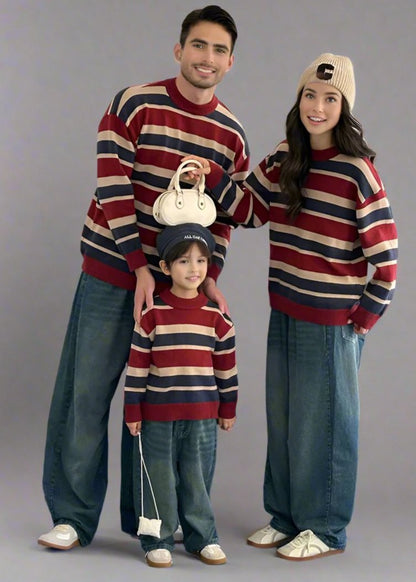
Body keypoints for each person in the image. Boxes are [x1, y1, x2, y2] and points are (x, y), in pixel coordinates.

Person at [38, 5, 249, 550]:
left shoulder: (231, 134)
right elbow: (113, 186)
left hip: (181, 294)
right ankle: (73, 516)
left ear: (231, 62)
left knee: (159, 406)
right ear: (179, 50)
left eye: (219, 50)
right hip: (114, 271)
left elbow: (225, 218)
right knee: (86, 395)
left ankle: (150, 524)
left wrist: (209, 278)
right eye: (199, 46)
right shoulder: (134, 104)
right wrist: (138, 269)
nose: (208, 58)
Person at [183, 53, 398, 560]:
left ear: (344, 107)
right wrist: (210, 177)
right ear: (299, 99)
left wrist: (359, 323)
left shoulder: (357, 172)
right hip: (285, 309)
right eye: (309, 95)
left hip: (331, 323)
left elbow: (386, 262)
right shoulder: (286, 158)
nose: (317, 107)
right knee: (283, 420)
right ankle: (284, 517)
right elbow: (249, 208)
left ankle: (324, 528)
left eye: (329, 98)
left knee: (323, 427)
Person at [124, 223, 238, 568]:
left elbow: (226, 370)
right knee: (157, 477)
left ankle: (202, 537)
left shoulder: (218, 319)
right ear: (166, 268)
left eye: (201, 261)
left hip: (202, 416)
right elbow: (137, 369)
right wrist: (133, 412)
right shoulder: (152, 315)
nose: (194, 269)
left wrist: (228, 408)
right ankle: (157, 538)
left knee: (197, 478)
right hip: (157, 416)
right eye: (185, 262)